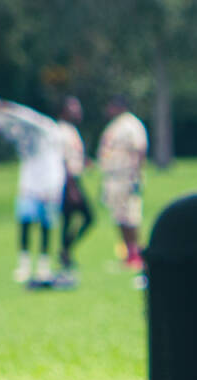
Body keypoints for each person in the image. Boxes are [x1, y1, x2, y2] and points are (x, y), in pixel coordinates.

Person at [0, 95, 65, 284]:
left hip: (49, 184)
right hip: (29, 184)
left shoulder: (46, 128)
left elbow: (28, 118)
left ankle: (43, 266)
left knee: (46, 227)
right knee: (25, 224)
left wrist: (8, 108)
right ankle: (24, 265)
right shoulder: (20, 131)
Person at [97, 95, 148, 271]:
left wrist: (137, 175)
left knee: (130, 216)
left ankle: (136, 254)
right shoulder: (114, 125)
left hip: (126, 176)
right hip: (113, 177)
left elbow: (140, 149)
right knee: (118, 216)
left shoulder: (131, 124)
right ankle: (127, 253)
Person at [56, 95, 94, 286]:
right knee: (88, 217)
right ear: (64, 110)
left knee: (69, 219)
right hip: (68, 181)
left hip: (73, 179)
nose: (78, 111)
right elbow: (63, 160)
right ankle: (65, 251)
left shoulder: (71, 130)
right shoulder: (61, 131)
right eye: (73, 108)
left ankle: (65, 252)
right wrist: (72, 188)